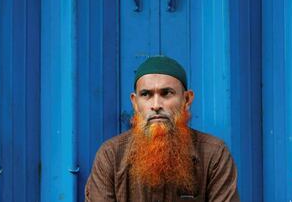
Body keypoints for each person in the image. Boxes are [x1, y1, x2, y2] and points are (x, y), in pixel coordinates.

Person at [85, 56, 240, 201]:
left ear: (186, 99)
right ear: (135, 102)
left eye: (166, 93)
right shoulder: (110, 156)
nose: (156, 105)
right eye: (146, 94)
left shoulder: (214, 155)